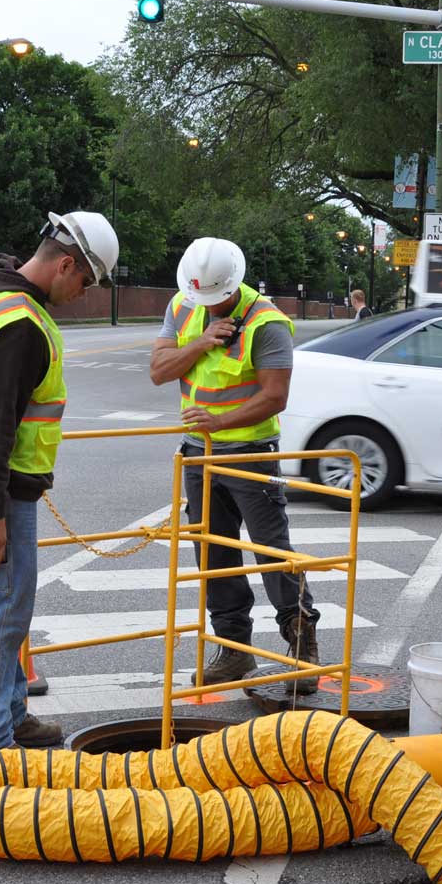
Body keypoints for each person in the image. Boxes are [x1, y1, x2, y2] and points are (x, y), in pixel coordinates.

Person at [0, 210, 119, 751]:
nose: (85, 292)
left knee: (9, 607)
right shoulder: (22, 326)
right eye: (86, 280)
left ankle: (10, 715)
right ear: (64, 264)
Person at [149, 237, 321, 691]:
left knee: (272, 550)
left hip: (251, 455)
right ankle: (234, 649)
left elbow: (274, 396)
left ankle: (302, 641)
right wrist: (203, 342)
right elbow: (159, 370)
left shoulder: (266, 323)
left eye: (214, 298)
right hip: (198, 455)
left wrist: (219, 420)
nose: (204, 303)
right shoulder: (183, 305)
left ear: (234, 285)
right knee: (214, 552)